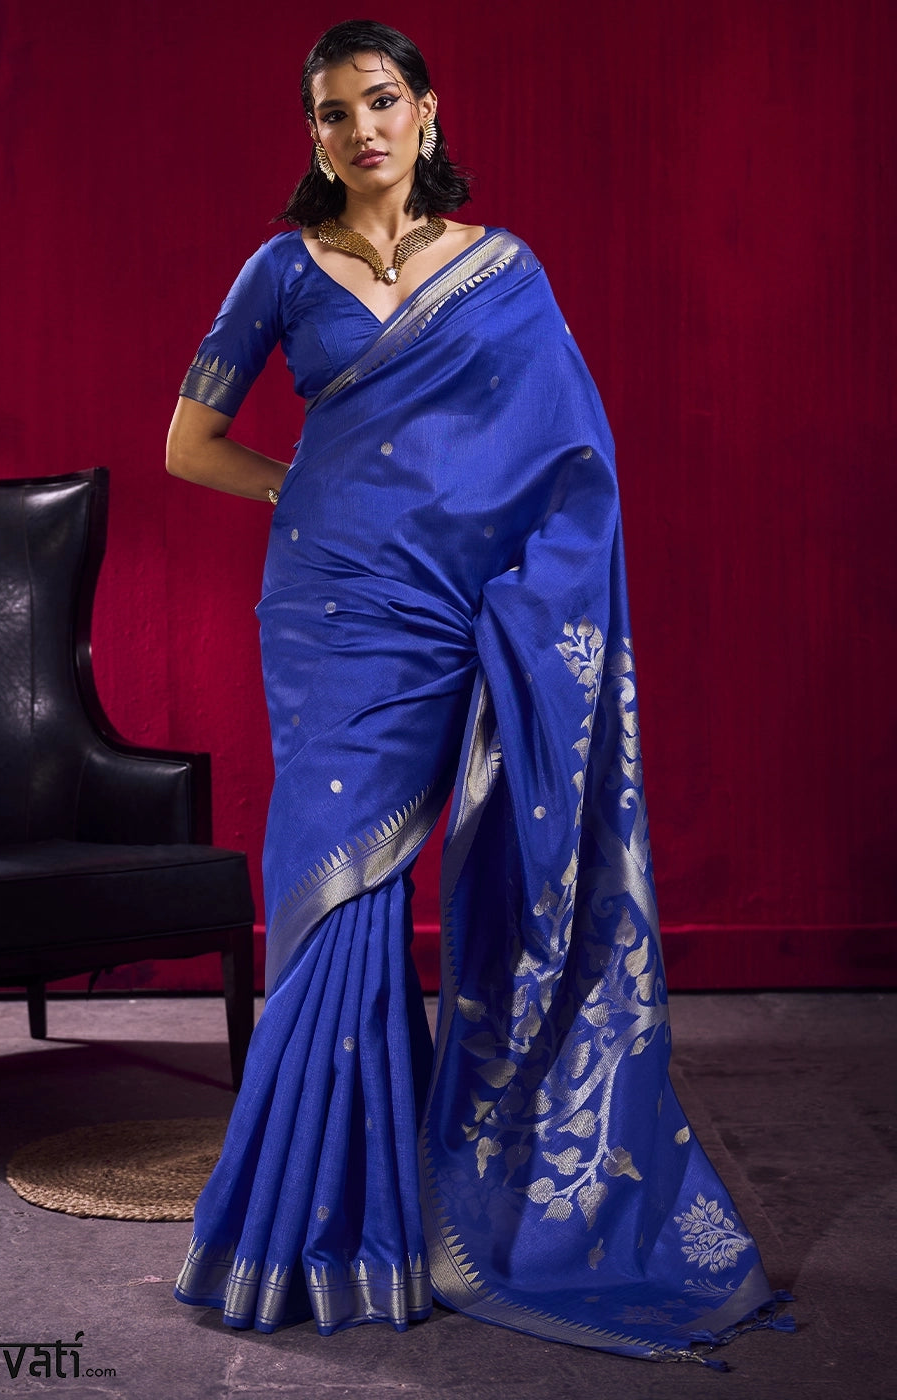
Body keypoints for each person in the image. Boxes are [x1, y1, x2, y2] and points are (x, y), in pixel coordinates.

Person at [166, 19, 788, 1366]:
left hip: (463, 611)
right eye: (333, 113)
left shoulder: (503, 273)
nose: (361, 129)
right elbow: (188, 444)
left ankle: (399, 1211)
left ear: (427, 112)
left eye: (380, 101)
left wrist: (521, 583)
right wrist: (304, 490)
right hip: (332, 611)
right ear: (313, 136)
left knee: (417, 883)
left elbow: (571, 459)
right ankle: (307, 1229)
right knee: (339, 899)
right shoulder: (283, 271)